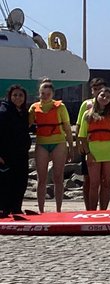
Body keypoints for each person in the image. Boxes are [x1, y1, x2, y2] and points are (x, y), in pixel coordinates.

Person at [29, 78, 73, 212]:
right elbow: (26, 125)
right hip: (42, 143)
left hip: (58, 143)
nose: (45, 96)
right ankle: (41, 210)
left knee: (58, 177)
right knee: (41, 179)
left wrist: (71, 147)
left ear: (53, 94)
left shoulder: (61, 107)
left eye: (48, 94)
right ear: (39, 93)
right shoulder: (34, 108)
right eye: (43, 93)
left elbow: (67, 127)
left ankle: (58, 209)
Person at [77, 85, 110, 210]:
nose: (105, 98)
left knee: (107, 183)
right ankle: (92, 211)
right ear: (97, 96)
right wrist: (88, 153)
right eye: (102, 95)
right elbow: (82, 136)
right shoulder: (87, 114)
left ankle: (103, 211)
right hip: (93, 153)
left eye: (108, 97)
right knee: (94, 183)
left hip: (109, 153)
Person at [75, 77, 107, 210]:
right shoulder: (86, 105)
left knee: (103, 180)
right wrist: (79, 144)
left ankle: (103, 208)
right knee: (88, 179)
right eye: (95, 89)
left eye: (100, 88)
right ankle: (89, 208)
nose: (97, 91)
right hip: (89, 146)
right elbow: (78, 125)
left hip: (105, 147)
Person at [0, 84, 31, 215]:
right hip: (6, 154)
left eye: (21, 95)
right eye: (15, 95)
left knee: (21, 181)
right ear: (10, 96)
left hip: (21, 154)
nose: (18, 98)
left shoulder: (24, 113)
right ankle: (3, 208)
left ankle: (16, 208)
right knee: (6, 182)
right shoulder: (4, 111)